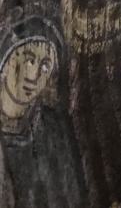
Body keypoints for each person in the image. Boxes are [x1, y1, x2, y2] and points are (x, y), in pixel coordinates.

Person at [0, 13, 87, 207]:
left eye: (46, 66)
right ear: (5, 62)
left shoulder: (53, 129)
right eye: (29, 60)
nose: (34, 75)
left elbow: (71, 195)